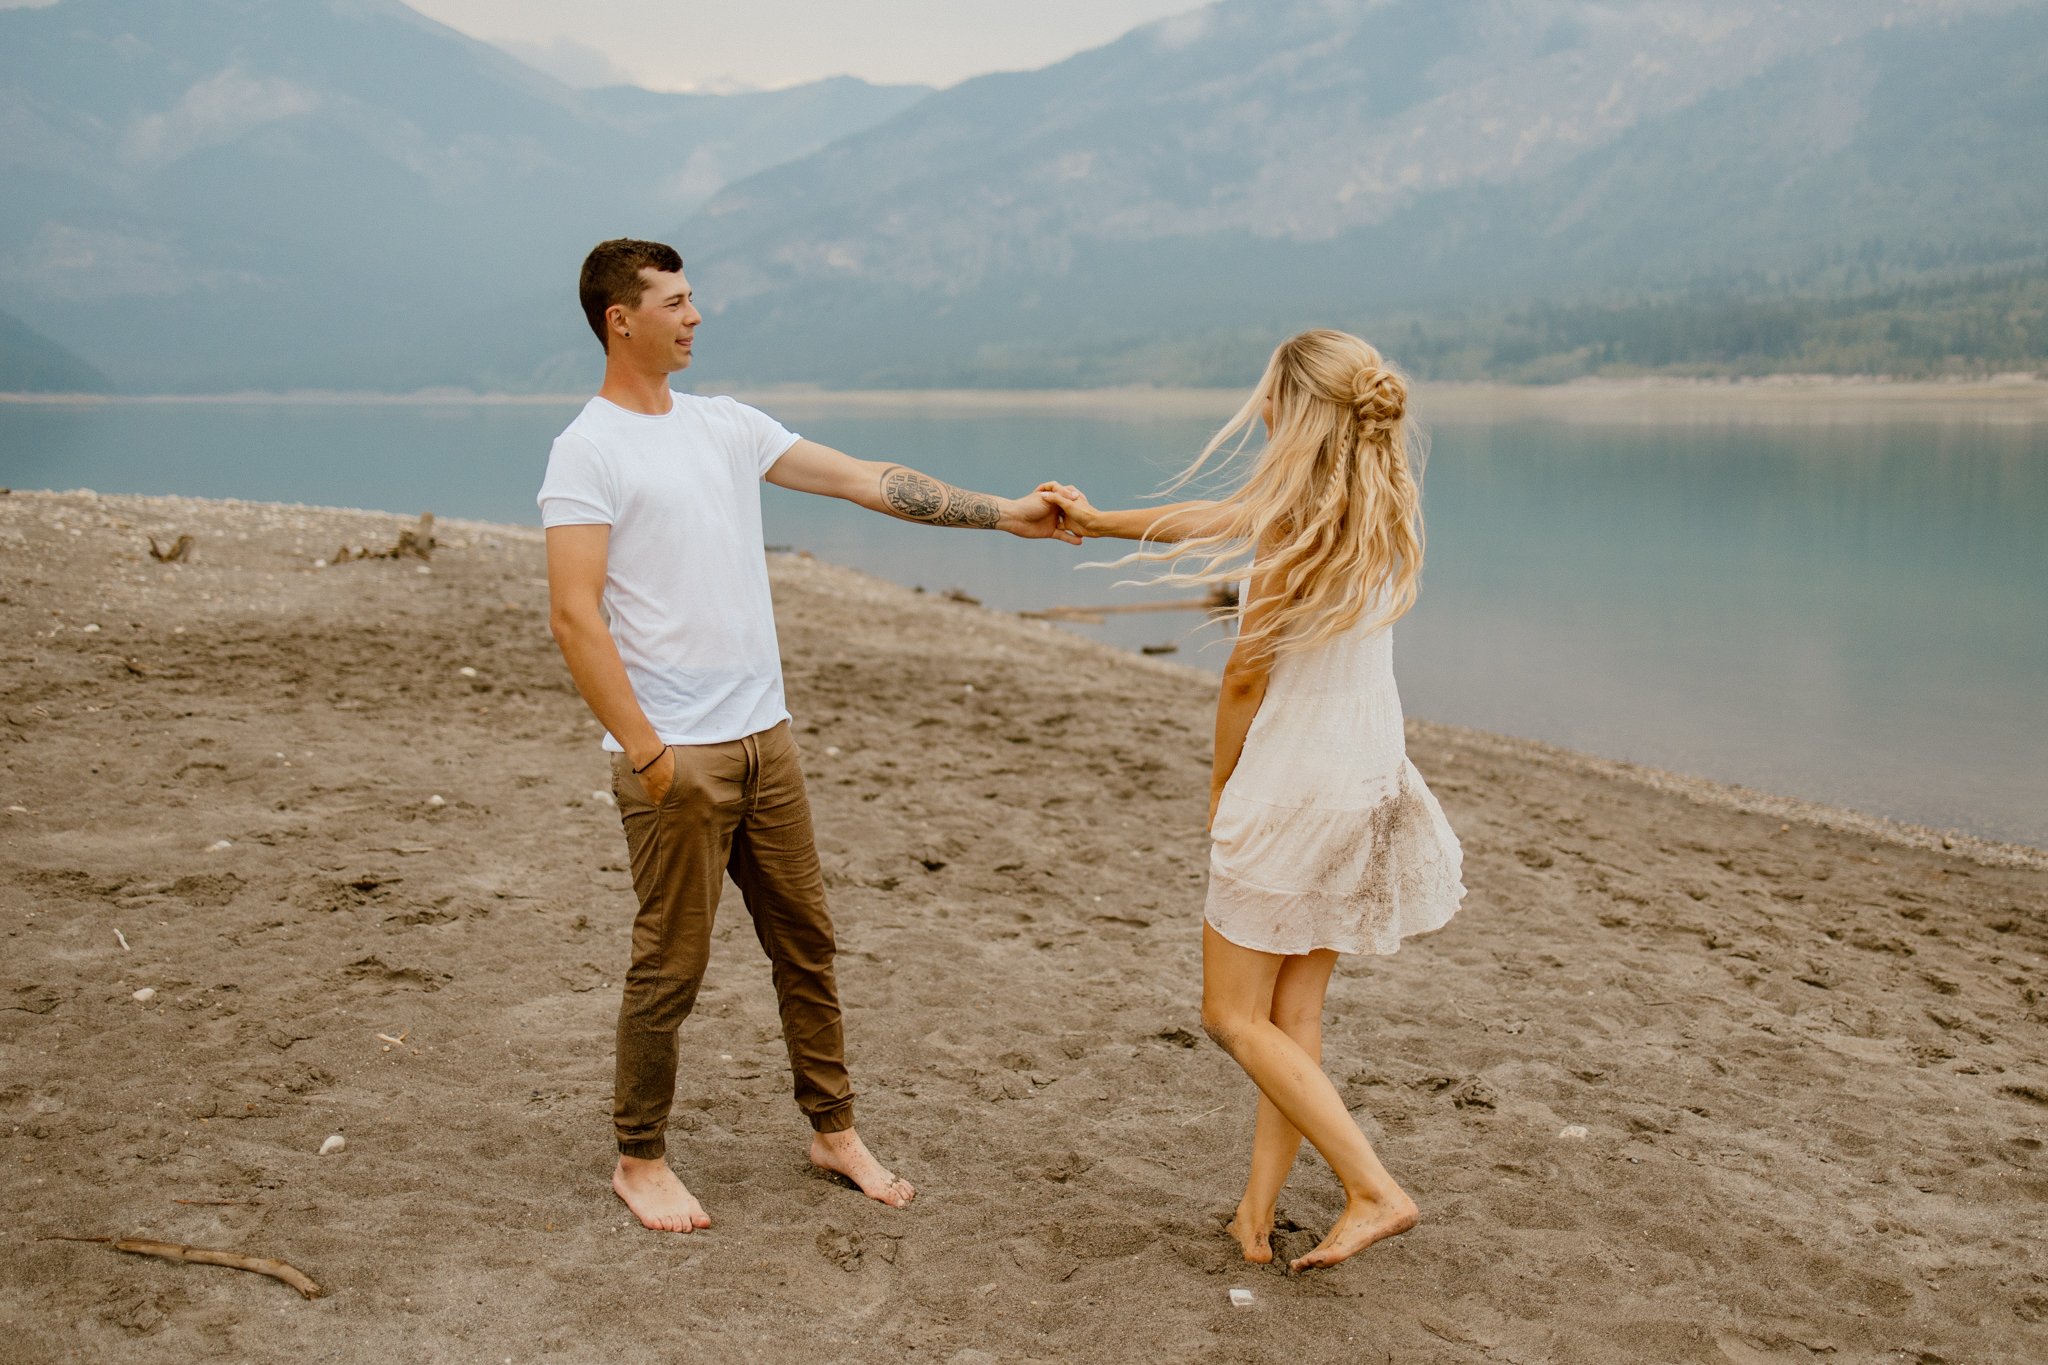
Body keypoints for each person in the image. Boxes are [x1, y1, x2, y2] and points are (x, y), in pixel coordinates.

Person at [539, 238, 1080, 1234]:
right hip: (679, 757)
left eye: (693, 297)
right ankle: (639, 1157)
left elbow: (868, 481)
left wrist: (1005, 515)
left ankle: (832, 1129)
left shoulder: (725, 425)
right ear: (621, 319)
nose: (695, 316)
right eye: (675, 301)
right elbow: (575, 616)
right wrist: (650, 756)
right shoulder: (589, 449)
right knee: (671, 965)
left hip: (765, 741)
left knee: (806, 943)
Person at [1042, 329, 1466, 1272]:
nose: (1259, 401)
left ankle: (1374, 1187)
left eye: (1269, 388)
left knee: (1231, 1015)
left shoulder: (1295, 525)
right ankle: (1254, 1216)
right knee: (1293, 1019)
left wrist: (1219, 782)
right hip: (1367, 778)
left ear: (1291, 403)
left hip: (1293, 786)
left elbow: (1244, 677)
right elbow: (1225, 514)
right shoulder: (1373, 504)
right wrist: (1102, 520)